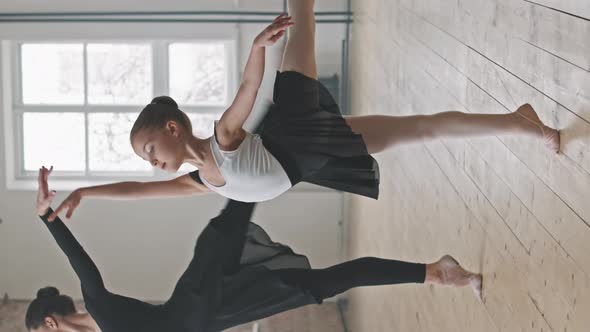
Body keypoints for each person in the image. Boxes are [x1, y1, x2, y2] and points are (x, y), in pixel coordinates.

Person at [48, 0, 559, 221]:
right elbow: (137, 193)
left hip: (293, 119)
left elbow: (249, 91)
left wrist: (257, 48)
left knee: (303, 13)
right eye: (145, 158)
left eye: (149, 148)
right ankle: (519, 120)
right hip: (311, 156)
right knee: (419, 131)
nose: (150, 161)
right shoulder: (197, 182)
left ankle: (522, 123)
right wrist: (85, 193)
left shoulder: (221, 140)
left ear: (172, 127)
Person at [29, 166, 481, 332]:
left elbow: (80, 262)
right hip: (219, 313)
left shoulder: (98, 308)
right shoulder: (98, 321)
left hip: (201, 297)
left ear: (48, 324)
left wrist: (49, 219)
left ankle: (269, 144)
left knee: (238, 206)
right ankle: (435, 271)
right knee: (327, 283)